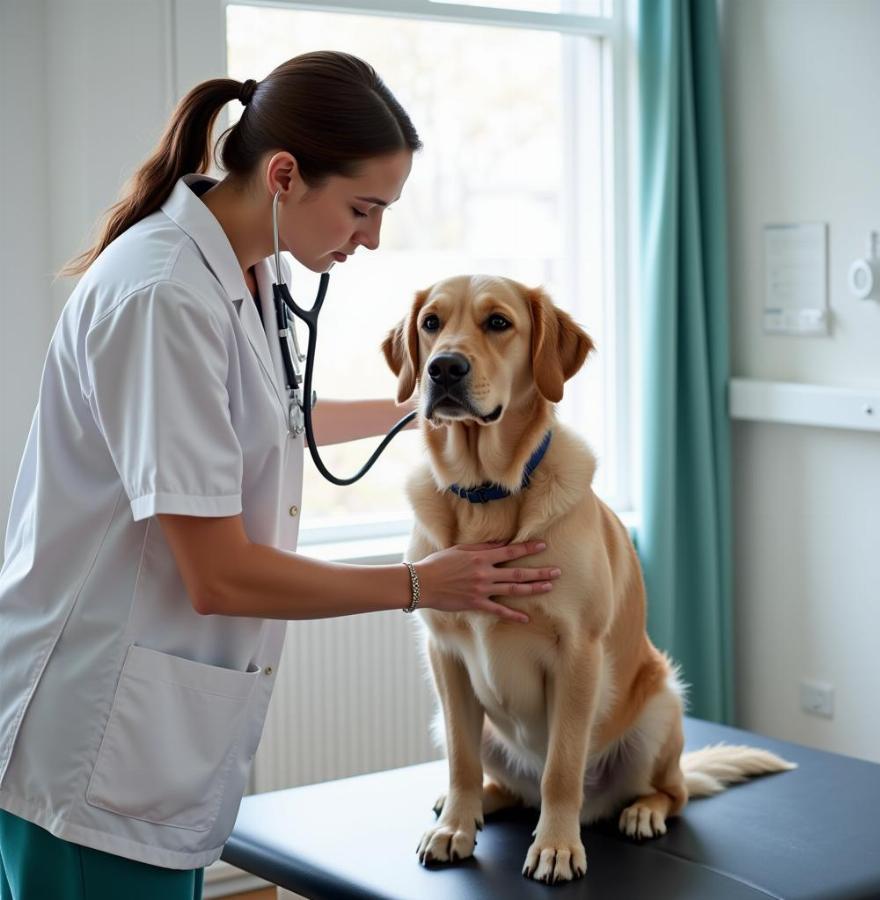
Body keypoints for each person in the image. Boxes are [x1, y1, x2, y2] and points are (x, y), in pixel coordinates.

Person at [0, 51, 561, 899]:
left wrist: (436, 400)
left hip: (148, 740)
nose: (371, 237)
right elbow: (217, 574)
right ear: (286, 177)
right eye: (363, 208)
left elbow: (271, 421)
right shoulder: (165, 295)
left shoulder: (247, 275)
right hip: (92, 743)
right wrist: (418, 585)